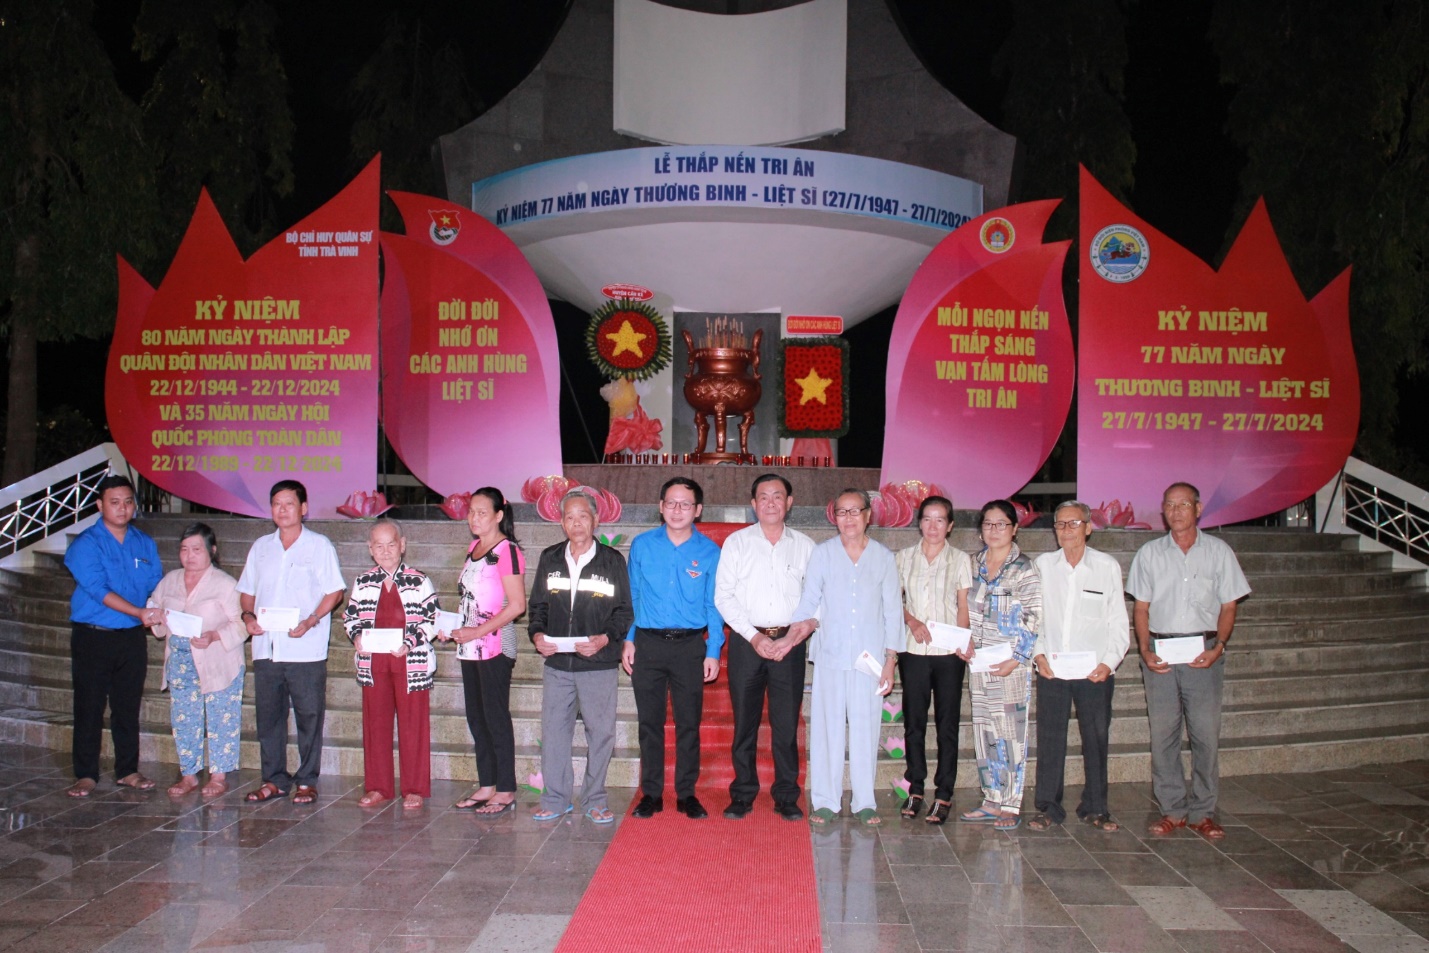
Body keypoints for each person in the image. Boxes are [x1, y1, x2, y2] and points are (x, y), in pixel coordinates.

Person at [1128, 481, 1250, 840]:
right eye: (1170, 504)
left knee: (1205, 735)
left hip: (1203, 653)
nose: (1176, 510)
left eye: (1184, 504)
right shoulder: (1149, 554)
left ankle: (1203, 811)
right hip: (1162, 654)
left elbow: (1229, 605)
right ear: (1163, 511)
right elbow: (1141, 608)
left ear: (1198, 509)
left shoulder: (1219, 552)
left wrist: (1220, 646)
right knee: (1163, 735)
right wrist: (1145, 649)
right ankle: (1172, 810)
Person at [790, 488, 901, 827]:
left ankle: (865, 800)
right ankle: (825, 800)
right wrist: (791, 634)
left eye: (856, 511)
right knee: (827, 730)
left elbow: (893, 610)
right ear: (833, 516)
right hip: (830, 656)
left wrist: (891, 660)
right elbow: (809, 601)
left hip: (869, 662)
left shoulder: (884, 557)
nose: (849, 518)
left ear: (869, 515)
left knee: (867, 729)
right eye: (842, 512)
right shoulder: (823, 554)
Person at [713, 473, 815, 821]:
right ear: (753, 504)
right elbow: (723, 596)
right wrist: (754, 637)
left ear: (789, 502)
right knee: (745, 723)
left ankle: (786, 795)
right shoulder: (737, 543)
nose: (771, 503)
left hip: (791, 643)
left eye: (778, 496)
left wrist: (792, 637)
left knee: (786, 724)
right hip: (747, 642)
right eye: (763, 497)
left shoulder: (805, 546)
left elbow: (817, 600)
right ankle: (743, 793)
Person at [528, 488, 634, 823]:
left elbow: (624, 611)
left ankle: (595, 799)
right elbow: (538, 607)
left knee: (600, 733)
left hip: (597, 665)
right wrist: (537, 635)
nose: (576, 523)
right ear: (561, 522)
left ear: (596, 520)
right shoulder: (550, 558)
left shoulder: (612, 561)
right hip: (558, 663)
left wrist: (605, 639)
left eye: (583, 516)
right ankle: (556, 799)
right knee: (555, 731)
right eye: (570, 517)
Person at [238, 480, 346, 805]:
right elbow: (247, 592)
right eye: (276, 504)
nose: (282, 510)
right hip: (267, 648)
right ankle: (273, 780)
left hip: (305, 646)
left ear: (304, 508)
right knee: (268, 718)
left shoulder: (319, 546)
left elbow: (335, 591)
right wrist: (247, 617)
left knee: (308, 716)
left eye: (288, 504)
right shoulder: (261, 547)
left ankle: (307, 781)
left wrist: (312, 620)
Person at [622, 477, 724, 820]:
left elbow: (714, 606)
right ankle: (651, 793)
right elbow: (633, 596)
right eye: (670, 503)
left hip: (690, 647)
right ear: (660, 506)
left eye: (685, 504)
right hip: (648, 644)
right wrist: (629, 638)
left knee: (688, 724)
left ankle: (686, 793)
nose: (677, 510)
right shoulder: (642, 545)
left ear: (698, 510)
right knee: (649, 724)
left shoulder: (710, 551)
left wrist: (713, 650)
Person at [1028, 501, 1129, 832]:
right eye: (1059, 525)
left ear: (1088, 527)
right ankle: (1048, 807)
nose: (1066, 530)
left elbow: (1117, 621)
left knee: (1096, 738)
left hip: (1094, 671)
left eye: (1073, 524)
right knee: (1050, 739)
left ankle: (1096, 807)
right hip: (1053, 668)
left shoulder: (1106, 566)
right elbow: (1035, 616)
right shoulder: (1043, 565)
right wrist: (1038, 655)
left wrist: (1108, 662)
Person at [63, 474, 165, 797]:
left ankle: (128, 770)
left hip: (131, 639)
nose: (122, 509)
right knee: (89, 706)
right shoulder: (86, 544)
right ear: (100, 505)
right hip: (94, 636)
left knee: (127, 706)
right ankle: (86, 774)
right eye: (114, 502)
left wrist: (157, 609)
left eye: (128, 502)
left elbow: (154, 585)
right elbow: (98, 590)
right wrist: (138, 612)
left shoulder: (143, 543)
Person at [342, 519, 439, 810]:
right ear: (370, 549)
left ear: (403, 544)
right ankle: (378, 786)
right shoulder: (363, 581)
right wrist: (357, 635)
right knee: (376, 725)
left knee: (413, 726)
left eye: (391, 544)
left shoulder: (419, 580)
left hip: (410, 661)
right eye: (379, 546)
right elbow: (351, 617)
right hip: (374, 663)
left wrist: (410, 642)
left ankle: (414, 788)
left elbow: (431, 620)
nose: (385, 551)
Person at [146, 523, 246, 798]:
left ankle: (218, 776)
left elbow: (242, 623)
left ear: (211, 551)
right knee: (184, 718)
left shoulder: (225, 584)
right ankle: (188, 775)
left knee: (221, 718)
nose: (189, 556)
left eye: (197, 549)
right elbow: (153, 605)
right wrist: (156, 617)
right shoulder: (171, 580)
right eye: (184, 550)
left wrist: (215, 635)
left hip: (218, 662)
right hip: (180, 662)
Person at [959, 499, 1041, 831]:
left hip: (1010, 665)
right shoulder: (970, 563)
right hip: (978, 661)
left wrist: (1017, 658)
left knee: (1010, 734)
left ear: (1014, 528)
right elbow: (960, 606)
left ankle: (1010, 802)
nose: (994, 530)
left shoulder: (1024, 568)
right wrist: (962, 640)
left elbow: (1034, 618)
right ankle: (991, 798)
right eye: (988, 524)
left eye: (1001, 524)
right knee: (984, 731)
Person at [447, 488, 527, 815]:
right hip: (469, 646)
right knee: (476, 717)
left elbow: (518, 606)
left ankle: (505, 788)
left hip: (494, 644)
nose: (475, 518)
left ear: (498, 515)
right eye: (471, 512)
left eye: (482, 512)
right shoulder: (473, 548)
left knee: (495, 717)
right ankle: (486, 784)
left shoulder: (507, 551)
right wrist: (450, 626)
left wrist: (477, 631)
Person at [895, 495, 972, 825]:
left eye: (940, 520)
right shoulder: (902, 558)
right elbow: (891, 601)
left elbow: (963, 605)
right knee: (913, 723)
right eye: (927, 518)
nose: (933, 526)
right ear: (919, 522)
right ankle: (915, 787)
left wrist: (963, 641)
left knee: (947, 724)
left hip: (948, 654)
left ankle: (944, 793)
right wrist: (911, 621)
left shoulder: (960, 560)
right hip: (913, 649)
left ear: (950, 526)